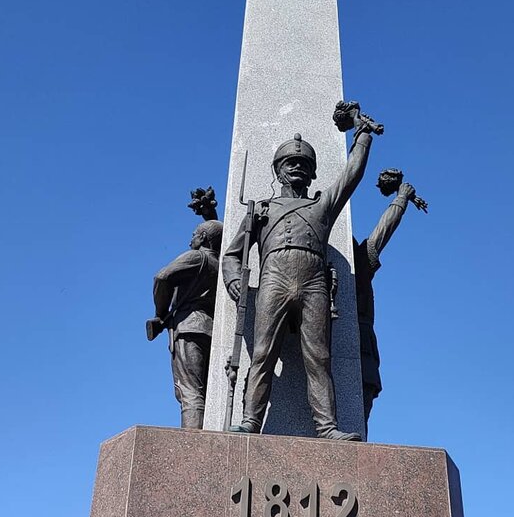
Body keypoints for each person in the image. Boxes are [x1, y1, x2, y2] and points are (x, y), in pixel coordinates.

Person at [222, 109, 376, 440]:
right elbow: (232, 254)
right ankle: (250, 421)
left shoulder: (321, 205)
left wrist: (362, 136)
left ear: (313, 174)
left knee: (319, 358)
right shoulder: (261, 210)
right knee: (262, 353)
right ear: (278, 171)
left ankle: (327, 427)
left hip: (314, 282)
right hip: (272, 280)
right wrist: (236, 280)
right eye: (290, 163)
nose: (297, 167)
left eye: (304, 164)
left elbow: (351, 175)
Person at [146, 219, 222, 429]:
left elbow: (162, 277)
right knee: (203, 392)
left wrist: (161, 314)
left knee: (189, 392)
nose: (190, 240)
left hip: (189, 327)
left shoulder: (197, 257)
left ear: (204, 238)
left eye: (194, 234)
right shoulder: (221, 264)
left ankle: (193, 448)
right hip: (211, 331)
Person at [354, 180, 417, 427]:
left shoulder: (359, 262)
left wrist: (400, 200)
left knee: (361, 414)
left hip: (363, 344)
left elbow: (382, 232)